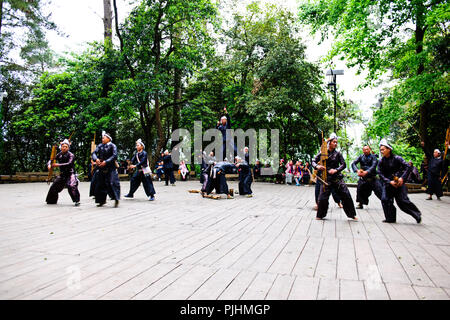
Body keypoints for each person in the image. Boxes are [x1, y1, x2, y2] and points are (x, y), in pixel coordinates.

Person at [312, 133, 358, 221]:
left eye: (336, 142)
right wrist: (317, 166)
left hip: (337, 178)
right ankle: (320, 215)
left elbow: (343, 164)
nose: (336, 144)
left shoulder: (338, 154)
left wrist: (336, 170)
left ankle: (352, 215)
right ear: (329, 143)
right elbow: (313, 161)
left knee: (346, 195)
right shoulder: (322, 152)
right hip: (326, 178)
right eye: (334, 142)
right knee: (322, 198)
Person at [378, 139, 422, 223]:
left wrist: (402, 178)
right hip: (388, 184)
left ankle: (417, 214)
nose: (381, 151)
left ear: (389, 149)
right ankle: (390, 218)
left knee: (402, 202)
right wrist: (389, 181)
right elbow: (380, 173)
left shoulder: (397, 158)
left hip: (399, 184)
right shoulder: (381, 161)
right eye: (380, 150)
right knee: (385, 200)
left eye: (383, 149)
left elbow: (408, 167)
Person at [45, 139, 81, 206]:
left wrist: (57, 165)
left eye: (66, 147)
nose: (64, 148)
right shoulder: (59, 154)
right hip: (62, 174)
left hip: (70, 173)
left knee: (71, 185)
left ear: (68, 148)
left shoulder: (71, 155)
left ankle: (76, 200)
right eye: (63, 146)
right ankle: (51, 200)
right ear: (61, 147)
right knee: (54, 186)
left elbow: (69, 163)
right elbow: (51, 159)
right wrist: (49, 164)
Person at [91, 131, 121, 207]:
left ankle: (116, 199)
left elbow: (114, 155)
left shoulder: (113, 146)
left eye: (103, 138)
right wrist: (96, 159)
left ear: (108, 138)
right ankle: (101, 201)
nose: (102, 139)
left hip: (110, 168)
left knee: (112, 183)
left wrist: (106, 162)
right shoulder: (100, 146)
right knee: (100, 184)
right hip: (101, 167)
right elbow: (94, 153)